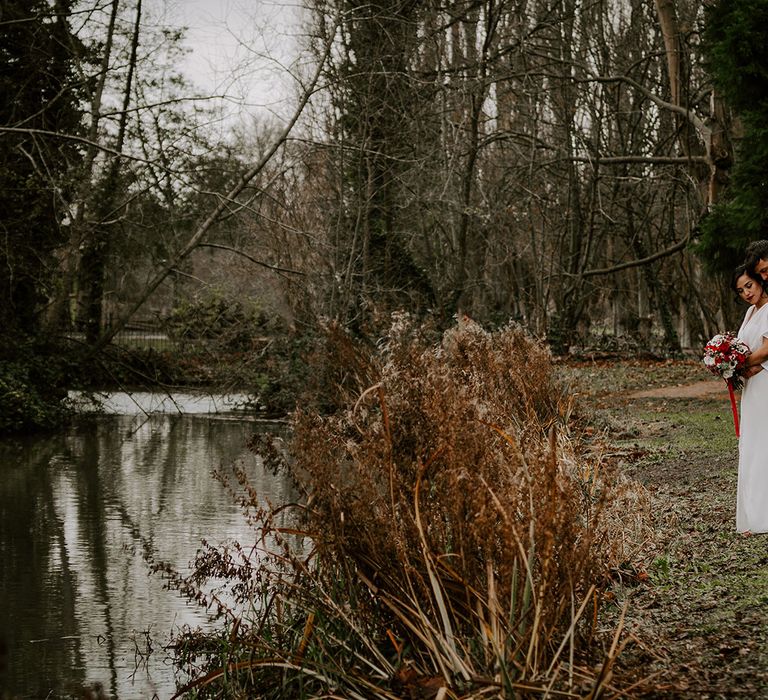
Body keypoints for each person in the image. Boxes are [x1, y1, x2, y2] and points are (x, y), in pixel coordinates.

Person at [732, 265, 768, 533]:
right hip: (751, 387)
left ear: (759, 282)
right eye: (740, 290)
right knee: (752, 444)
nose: (746, 293)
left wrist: (741, 365)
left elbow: (766, 349)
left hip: (765, 381)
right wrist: (731, 364)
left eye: (749, 286)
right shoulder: (749, 312)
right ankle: (753, 514)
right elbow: (742, 348)